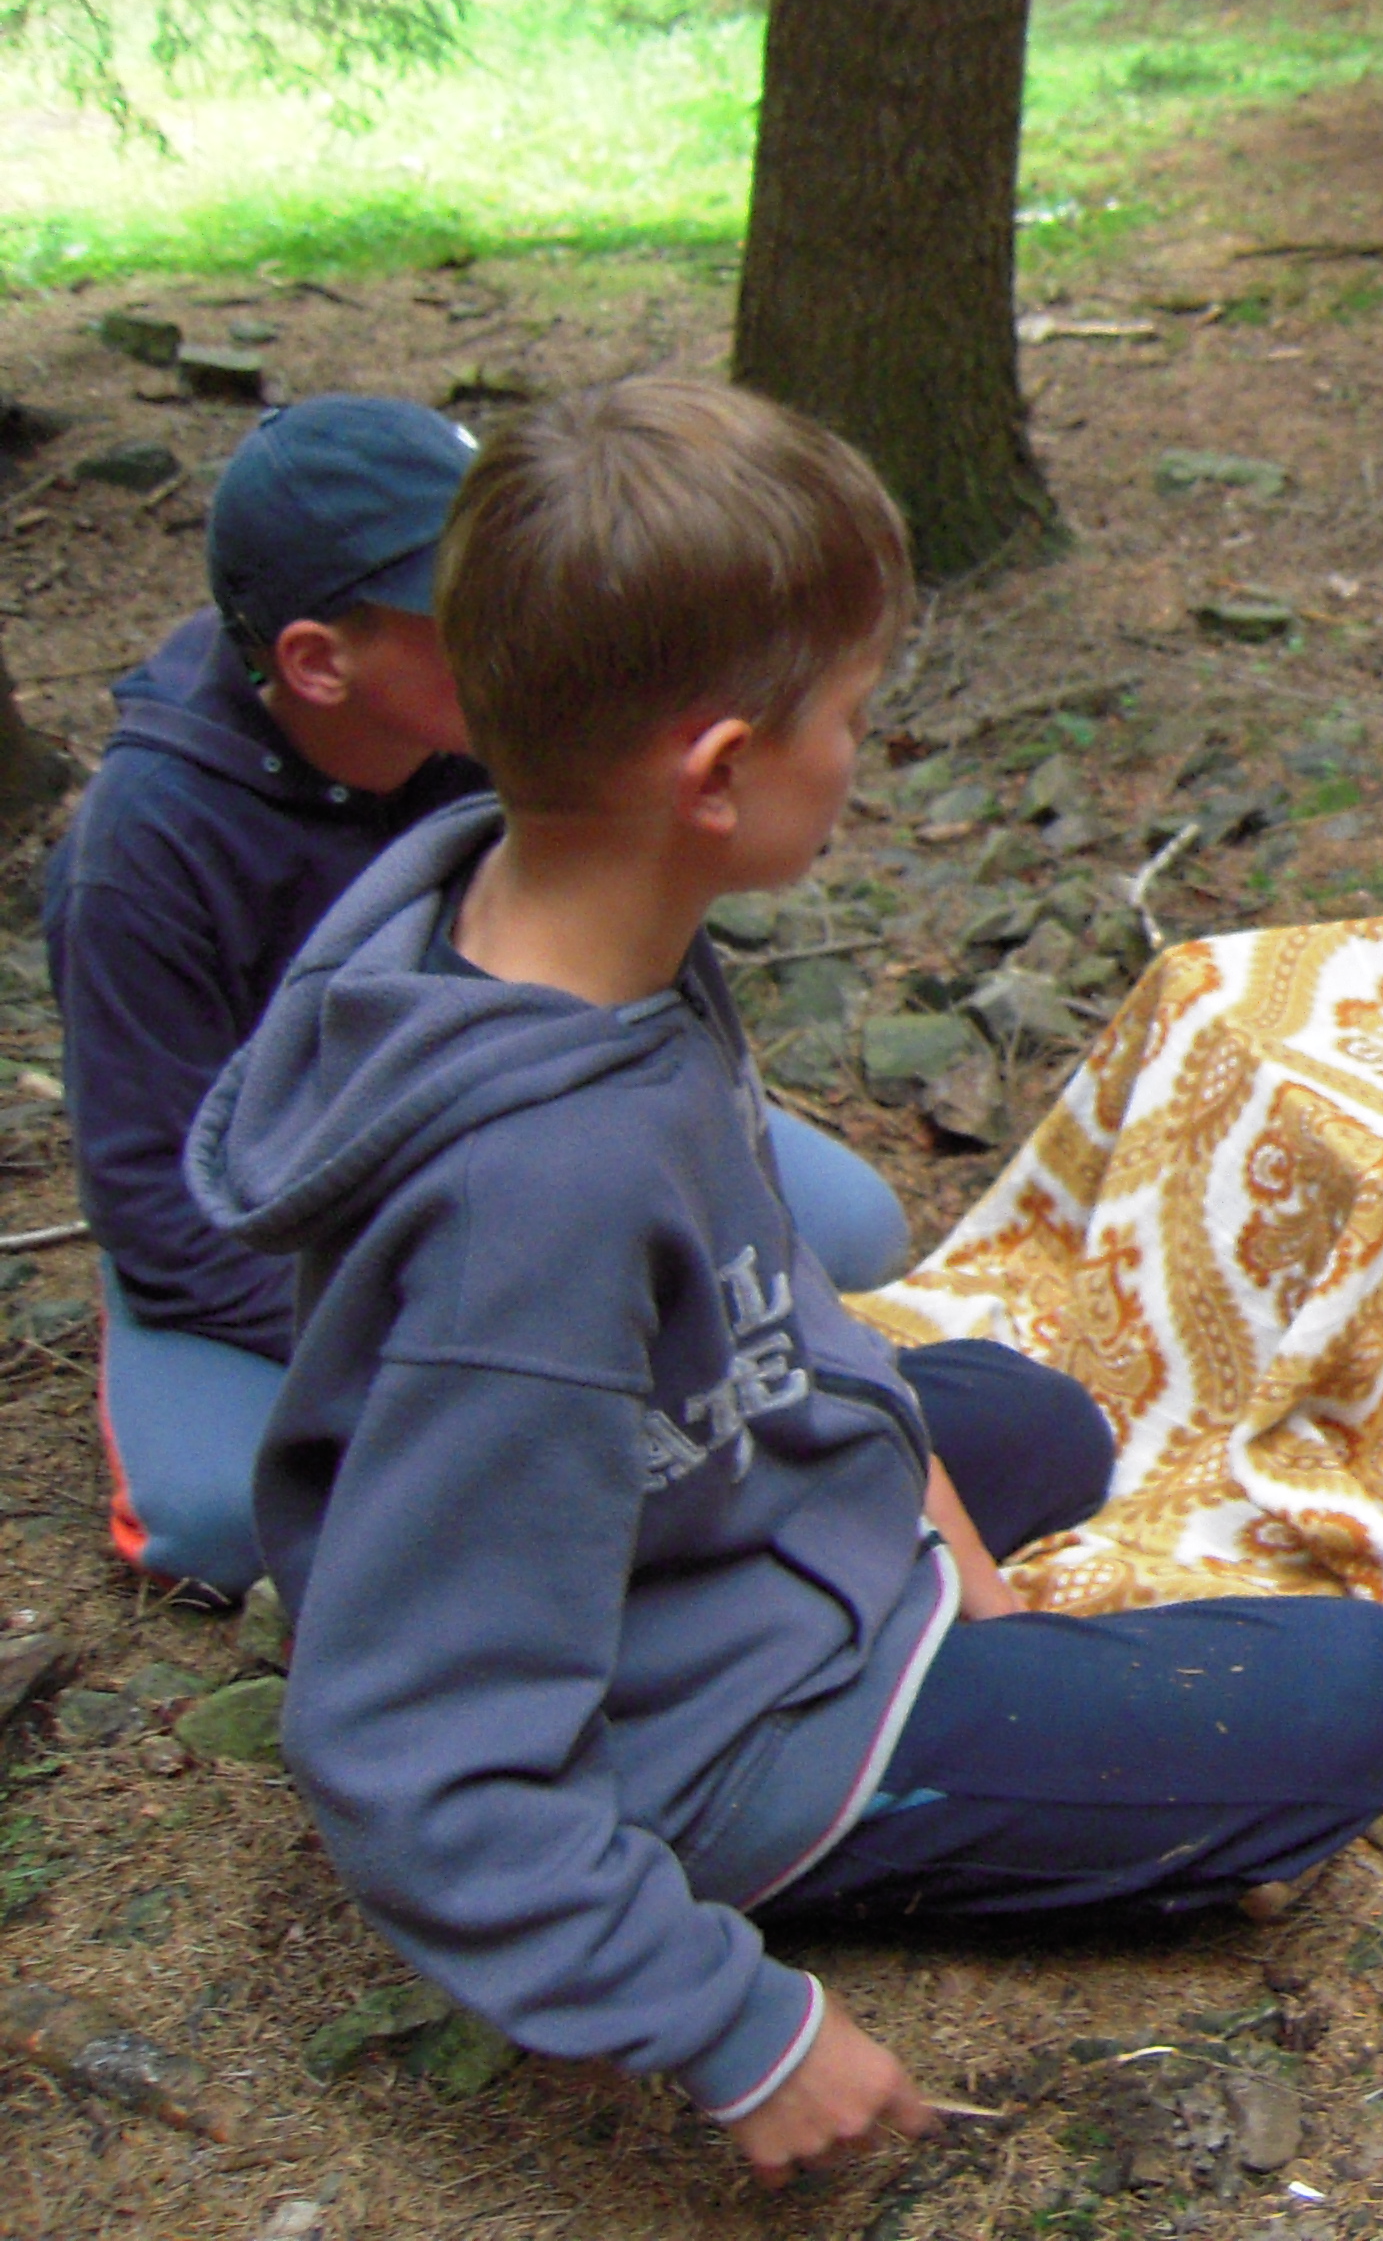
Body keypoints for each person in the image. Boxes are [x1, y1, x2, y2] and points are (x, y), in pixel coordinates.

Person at [186, 380, 1383, 2187]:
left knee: (1044, 1423)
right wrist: (726, 2021)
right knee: (1349, 1698)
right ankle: (840, 1811)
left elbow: (760, 1279)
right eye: (847, 715)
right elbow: (414, 1740)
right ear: (715, 775)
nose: (863, 751)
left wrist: (910, 1487)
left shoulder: (551, 917)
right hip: (691, 1733)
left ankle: (924, 1599)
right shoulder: (534, 1207)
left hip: (691, 1504)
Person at [38, 392, 909, 1596]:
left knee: (855, 1233)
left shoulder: (498, 722)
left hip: (521, 1133)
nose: (510, 619)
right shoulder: (143, 852)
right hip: (285, 1220)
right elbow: (154, 1197)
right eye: (454, 606)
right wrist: (440, 1335)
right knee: (227, 1524)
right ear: (318, 663)